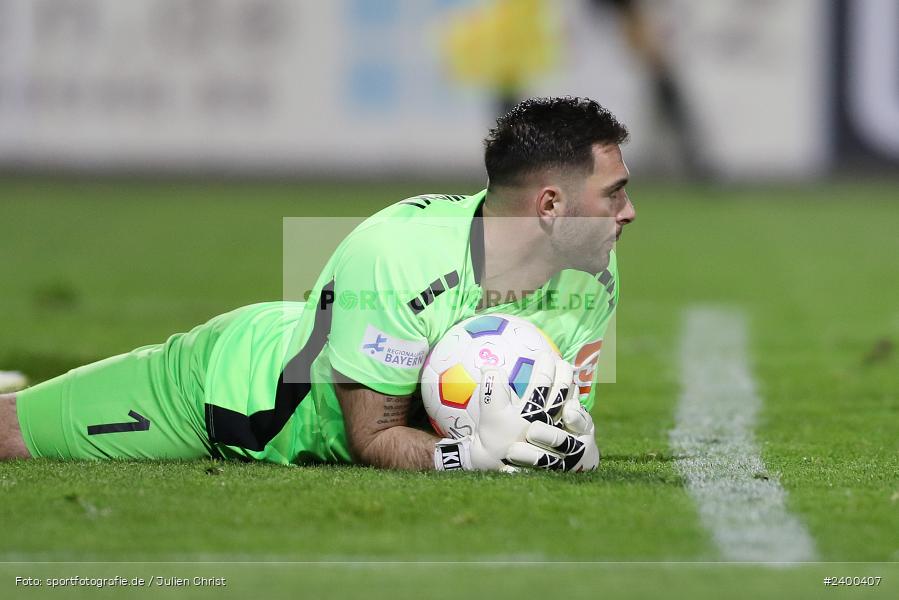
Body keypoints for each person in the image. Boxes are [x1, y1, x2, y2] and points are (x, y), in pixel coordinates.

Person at [0, 96, 636, 471]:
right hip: (230, 394)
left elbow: (554, 417)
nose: (628, 213)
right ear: (551, 206)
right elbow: (374, 438)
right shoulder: (401, 256)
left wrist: (567, 447)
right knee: (11, 436)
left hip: (311, 339)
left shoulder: (593, 272)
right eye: (614, 194)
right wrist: (465, 459)